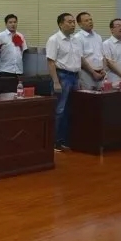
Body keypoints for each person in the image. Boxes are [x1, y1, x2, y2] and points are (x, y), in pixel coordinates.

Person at [46, 13, 83, 152]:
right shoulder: (54, 39)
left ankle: (66, 140)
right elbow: (50, 62)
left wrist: (79, 79)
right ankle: (55, 141)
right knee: (59, 110)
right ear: (61, 24)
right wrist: (56, 82)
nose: (73, 24)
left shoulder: (76, 40)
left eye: (74, 22)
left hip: (74, 77)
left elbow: (79, 60)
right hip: (62, 76)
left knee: (71, 109)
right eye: (69, 22)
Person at [74, 12, 105, 90]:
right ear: (80, 24)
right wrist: (93, 73)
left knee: (101, 95)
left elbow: (102, 55)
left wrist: (103, 69)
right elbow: (80, 58)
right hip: (86, 73)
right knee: (88, 96)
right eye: (86, 20)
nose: (90, 22)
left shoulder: (98, 36)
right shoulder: (77, 38)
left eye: (91, 20)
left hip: (100, 73)